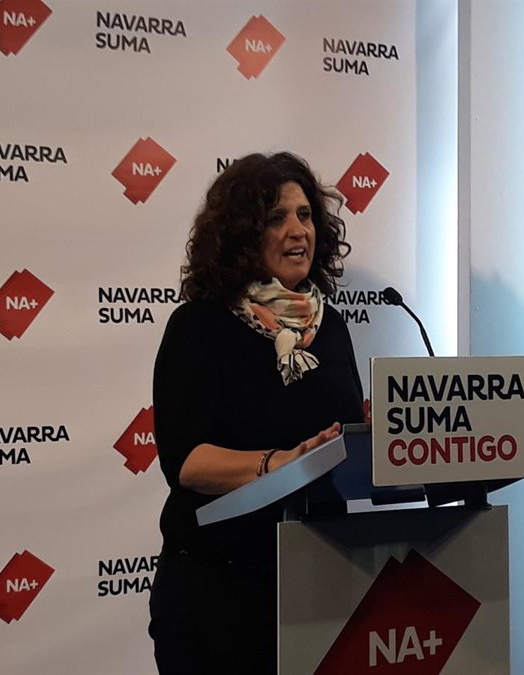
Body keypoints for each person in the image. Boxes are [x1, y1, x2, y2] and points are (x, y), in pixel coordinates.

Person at [147, 152, 365, 674]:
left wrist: (379, 437)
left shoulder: (331, 329)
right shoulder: (199, 326)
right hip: (220, 595)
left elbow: (344, 436)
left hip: (321, 582)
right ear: (243, 236)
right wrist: (278, 463)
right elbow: (186, 461)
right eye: (276, 218)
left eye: (305, 215)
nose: (297, 230)